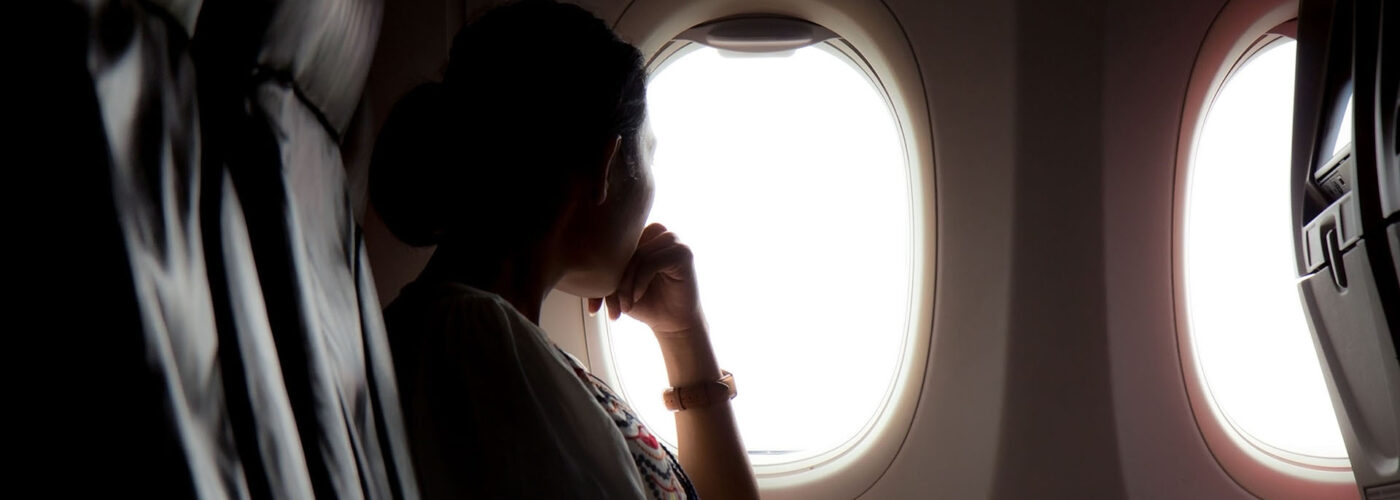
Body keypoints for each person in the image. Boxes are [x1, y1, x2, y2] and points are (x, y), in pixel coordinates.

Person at [369, 1, 760, 498]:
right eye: (650, 154)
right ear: (604, 165)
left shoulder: (491, 336)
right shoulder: (478, 344)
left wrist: (683, 335)